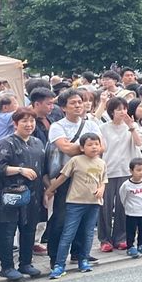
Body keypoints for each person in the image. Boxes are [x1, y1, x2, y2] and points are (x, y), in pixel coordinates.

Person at [46, 91, 104, 265]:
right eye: (73, 103)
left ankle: (79, 252)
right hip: (65, 176)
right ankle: (55, 256)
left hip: (89, 175)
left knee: (85, 216)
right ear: (63, 107)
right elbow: (66, 148)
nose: (78, 105)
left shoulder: (91, 124)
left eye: (80, 102)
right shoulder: (57, 126)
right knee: (61, 217)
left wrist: (86, 147)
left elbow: (102, 147)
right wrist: (89, 147)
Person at [0, 108, 47, 282]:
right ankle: (6, 267)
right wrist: (20, 170)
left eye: (32, 121)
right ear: (15, 124)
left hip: (34, 193)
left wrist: (47, 190)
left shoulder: (37, 142)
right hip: (10, 194)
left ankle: (26, 263)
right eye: (24, 121)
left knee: (29, 229)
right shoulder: (5, 143)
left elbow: (42, 169)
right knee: (7, 231)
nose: (29, 125)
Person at [46, 132, 107, 279]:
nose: (94, 147)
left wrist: (101, 190)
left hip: (93, 203)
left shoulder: (101, 163)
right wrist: (49, 190)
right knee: (68, 234)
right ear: (81, 147)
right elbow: (62, 177)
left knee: (88, 233)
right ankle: (59, 264)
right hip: (75, 203)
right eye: (90, 144)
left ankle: (83, 260)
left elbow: (104, 180)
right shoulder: (76, 161)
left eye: (96, 144)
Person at [98, 97, 142, 251]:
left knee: (123, 206)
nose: (122, 112)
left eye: (124, 108)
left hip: (126, 171)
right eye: (118, 109)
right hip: (108, 171)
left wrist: (131, 127)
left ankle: (120, 237)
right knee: (105, 206)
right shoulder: (103, 128)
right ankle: (104, 239)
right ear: (111, 111)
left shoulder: (132, 126)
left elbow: (139, 143)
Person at [119, 156, 142, 257]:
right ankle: (130, 247)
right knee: (131, 231)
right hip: (132, 212)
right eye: (138, 170)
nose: (141, 172)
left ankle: (141, 245)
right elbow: (122, 196)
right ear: (131, 171)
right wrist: (128, 206)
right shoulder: (126, 185)